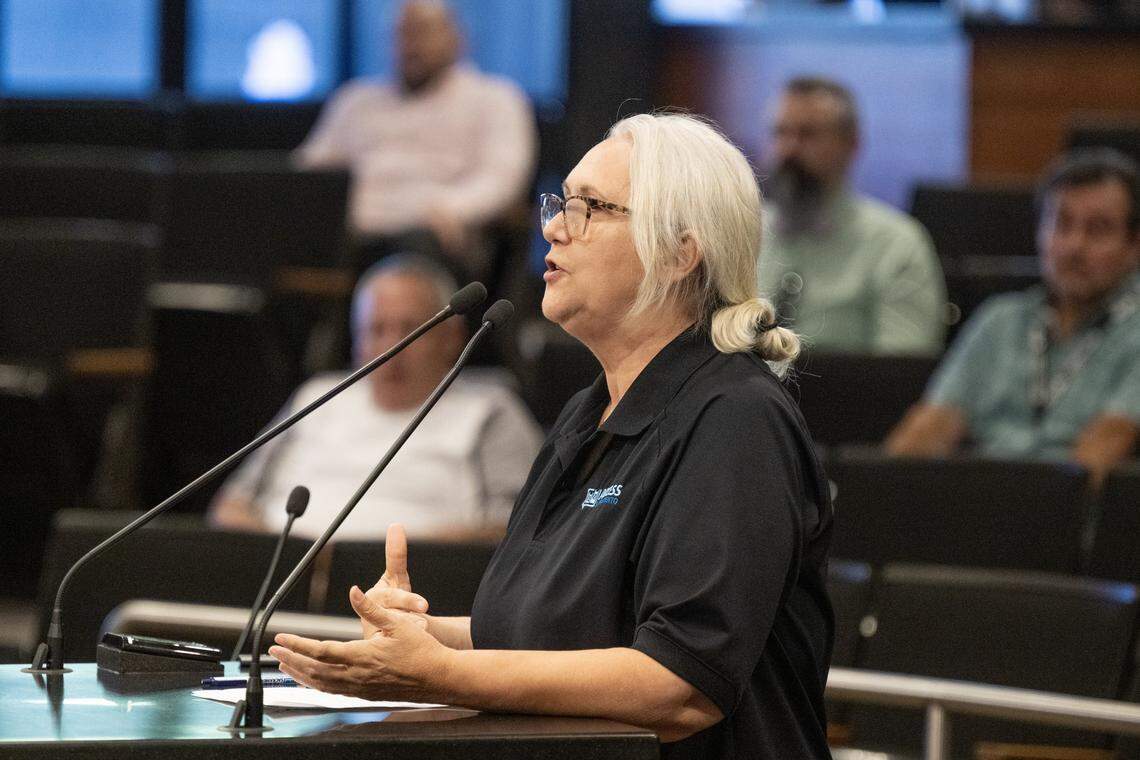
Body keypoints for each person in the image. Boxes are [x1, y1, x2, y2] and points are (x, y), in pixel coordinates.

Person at [270, 113, 834, 759]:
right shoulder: (584, 415)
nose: (553, 227)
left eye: (588, 207)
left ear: (681, 251)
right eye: (558, 203)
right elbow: (542, 640)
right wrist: (422, 638)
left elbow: (680, 684)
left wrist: (440, 675)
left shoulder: (735, 417)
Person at [208, 255, 543, 540]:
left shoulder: (490, 410)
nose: (392, 347)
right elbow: (231, 505)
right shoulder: (317, 396)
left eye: (411, 329)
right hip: (284, 583)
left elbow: (514, 529)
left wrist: (377, 559)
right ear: (356, 340)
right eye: (376, 329)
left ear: (452, 337)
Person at [886, 149, 1140, 486]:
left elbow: (1106, 448)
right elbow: (928, 431)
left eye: (1098, 229)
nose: (1074, 245)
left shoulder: (1134, 332)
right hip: (974, 502)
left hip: (1069, 515)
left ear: (1134, 245)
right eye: (1061, 224)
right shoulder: (999, 320)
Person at [294, 0, 536, 274]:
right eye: (402, 33)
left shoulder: (496, 99)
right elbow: (307, 172)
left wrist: (453, 209)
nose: (411, 44)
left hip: (433, 233)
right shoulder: (356, 101)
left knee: (415, 248)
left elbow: (502, 179)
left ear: (457, 37)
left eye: (422, 30)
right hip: (352, 232)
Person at [758, 76, 946, 356]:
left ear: (851, 143)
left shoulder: (896, 244)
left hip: (849, 397)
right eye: (780, 133)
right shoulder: (744, 232)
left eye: (807, 134)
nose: (789, 150)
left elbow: (901, 371)